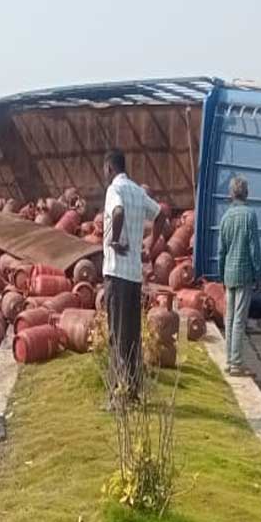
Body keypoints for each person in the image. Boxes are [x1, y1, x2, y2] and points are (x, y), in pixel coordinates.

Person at [101, 149, 165, 395]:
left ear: (109, 168)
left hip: (116, 274)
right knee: (132, 336)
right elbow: (160, 215)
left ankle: (119, 392)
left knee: (117, 334)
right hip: (134, 276)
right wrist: (150, 243)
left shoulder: (114, 190)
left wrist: (115, 239)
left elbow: (117, 212)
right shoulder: (138, 192)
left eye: (105, 169)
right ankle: (134, 388)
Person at [217, 176, 261, 377]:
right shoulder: (250, 215)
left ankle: (229, 360)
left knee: (229, 318)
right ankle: (236, 363)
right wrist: (258, 274)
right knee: (239, 320)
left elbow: (221, 251)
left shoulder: (225, 217)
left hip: (229, 273)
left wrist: (221, 275)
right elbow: (254, 249)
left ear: (231, 194)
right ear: (246, 193)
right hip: (244, 274)